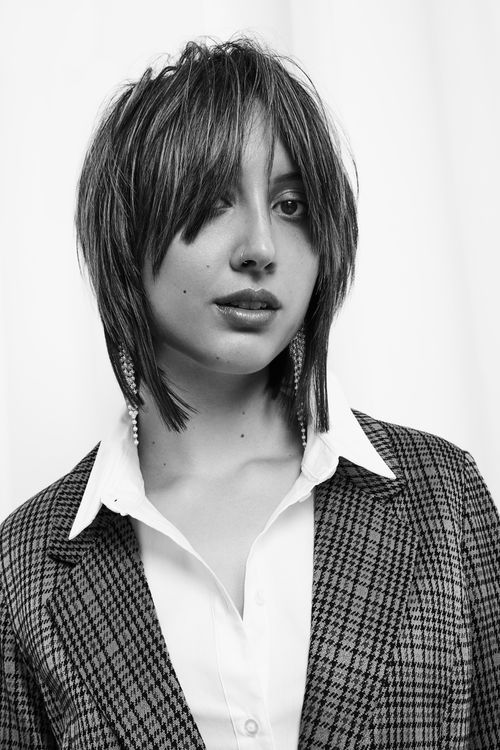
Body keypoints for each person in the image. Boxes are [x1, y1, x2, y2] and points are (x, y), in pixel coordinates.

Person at [1, 37, 499, 750]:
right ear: (126, 231)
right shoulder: (25, 570)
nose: (261, 247)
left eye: (292, 204)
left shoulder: (443, 497)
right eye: (213, 200)